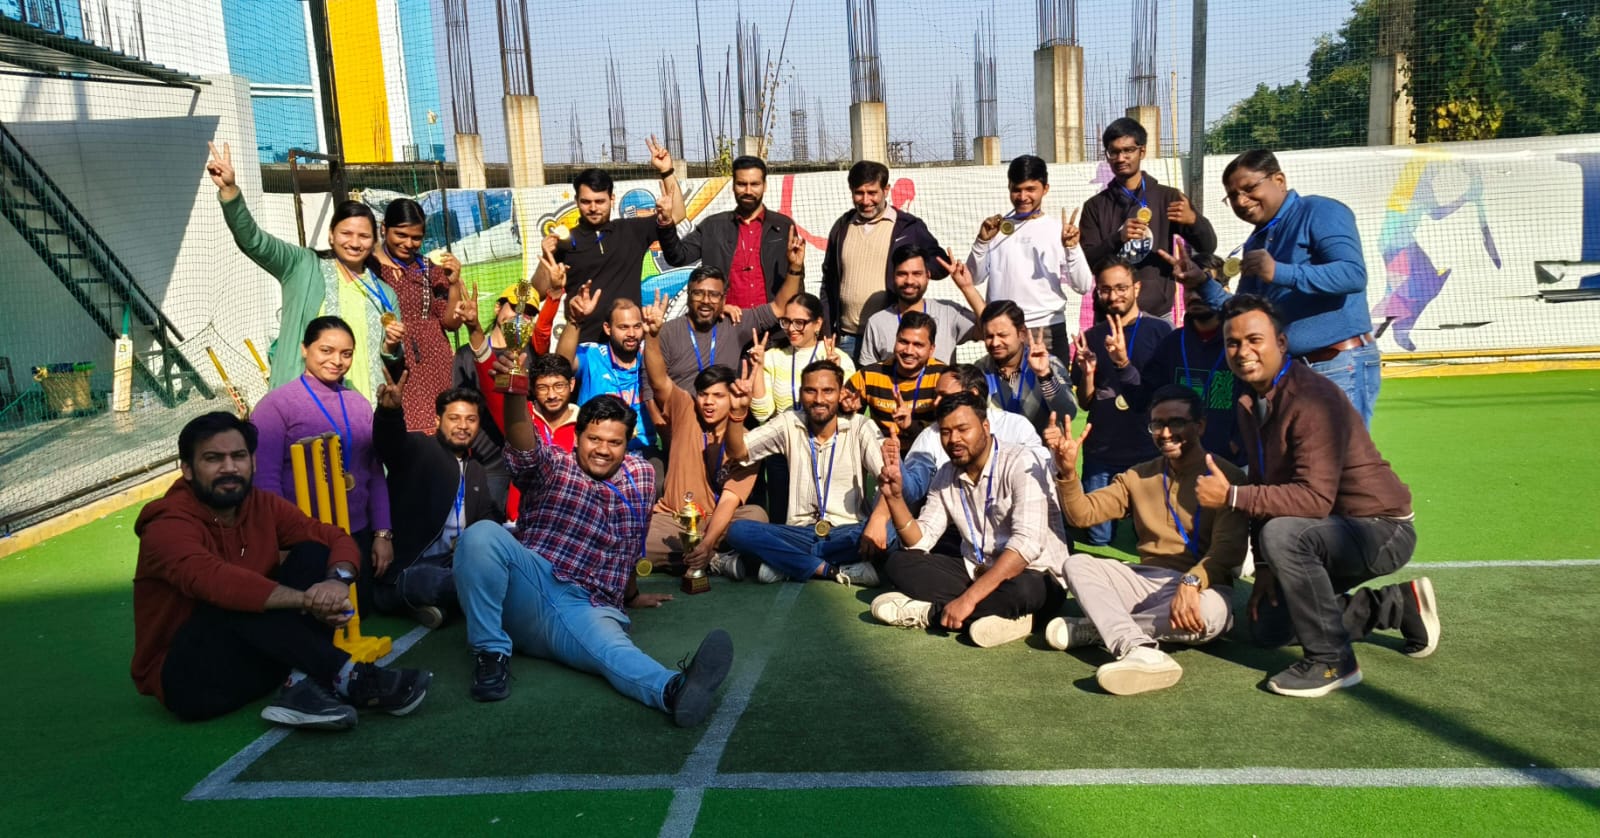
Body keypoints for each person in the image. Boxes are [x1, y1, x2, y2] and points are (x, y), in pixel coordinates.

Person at [1197, 295, 1438, 698]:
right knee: (1269, 627)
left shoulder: (1312, 397)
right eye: (1232, 343)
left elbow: (1313, 500)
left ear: (1281, 343)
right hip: (1326, 531)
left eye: (1254, 340)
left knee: (1283, 535)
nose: (1242, 351)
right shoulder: (1249, 400)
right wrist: (1265, 567)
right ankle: (1396, 605)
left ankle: (1333, 661)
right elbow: (1266, 479)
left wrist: (1232, 496)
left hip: (1381, 528)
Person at [454, 383, 735, 726]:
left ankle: (673, 690)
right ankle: (490, 655)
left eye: (614, 442)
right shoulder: (554, 465)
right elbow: (524, 449)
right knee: (481, 534)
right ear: (577, 437)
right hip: (531, 584)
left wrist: (631, 595)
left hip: (589, 607)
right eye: (594, 439)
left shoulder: (642, 475)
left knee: (614, 653)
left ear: (628, 443)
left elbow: (631, 542)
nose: (602, 450)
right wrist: (515, 391)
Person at [132, 411, 430, 730]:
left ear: (253, 462)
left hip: (261, 659)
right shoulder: (166, 524)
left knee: (315, 552)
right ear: (187, 469)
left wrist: (337, 582)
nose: (229, 468)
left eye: (238, 456)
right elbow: (213, 582)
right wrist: (307, 600)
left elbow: (335, 537)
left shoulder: (259, 504)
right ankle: (351, 677)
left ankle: (298, 683)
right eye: (213, 458)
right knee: (231, 598)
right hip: (192, 681)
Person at [1047, 385, 1249, 695]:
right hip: (1145, 580)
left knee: (1213, 615)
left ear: (1200, 426)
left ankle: (1101, 629)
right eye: (1157, 424)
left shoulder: (1227, 476)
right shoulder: (1137, 476)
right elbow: (1082, 515)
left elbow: (1229, 549)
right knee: (1077, 564)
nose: (1166, 433)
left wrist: (1192, 581)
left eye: (1177, 422)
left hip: (1203, 586)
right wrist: (1067, 474)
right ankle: (1136, 647)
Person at [1164, 149, 1380, 424]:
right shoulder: (1257, 240)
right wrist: (1203, 283)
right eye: (1232, 196)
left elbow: (1353, 275)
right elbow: (1244, 313)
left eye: (1249, 188)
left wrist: (1279, 272)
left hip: (1335, 364)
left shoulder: (1319, 211)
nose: (1241, 201)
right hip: (1287, 371)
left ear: (1279, 180)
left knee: (1337, 451)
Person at [208, 142, 405, 401]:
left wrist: (391, 346)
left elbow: (391, 357)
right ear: (331, 235)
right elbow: (254, 241)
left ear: (373, 240)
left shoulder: (385, 295)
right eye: (346, 233)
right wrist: (230, 191)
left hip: (364, 406)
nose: (355, 243)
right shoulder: (302, 266)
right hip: (305, 404)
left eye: (364, 236)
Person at [871, 392, 1069, 648]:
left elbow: (1026, 546)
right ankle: (1008, 618)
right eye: (945, 432)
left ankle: (931, 614)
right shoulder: (946, 473)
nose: (954, 439)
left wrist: (968, 599)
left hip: (1033, 573)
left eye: (963, 429)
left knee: (1025, 591)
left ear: (985, 427)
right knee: (899, 563)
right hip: (977, 570)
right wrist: (895, 499)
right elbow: (921, 540)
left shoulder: (1021, 462)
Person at [249, 317, 393, 603]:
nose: (337, 361)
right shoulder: (275, 406)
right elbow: (266, 480)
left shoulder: (359, 404)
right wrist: (282, 538)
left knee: (360, 610)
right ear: (305, 349)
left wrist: (382, 534)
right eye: (326, 350)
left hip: (356, 532)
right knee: (316, 614)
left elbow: (374, 473)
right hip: (305, 539)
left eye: (346, 353)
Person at [723, 359, 887, 586]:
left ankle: (786, 563)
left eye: (828, 391)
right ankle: (828, 569)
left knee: (891, 531)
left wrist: (878, 519)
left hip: (848, 532)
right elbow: (738, 451)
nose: (819, 399)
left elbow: (890, 482)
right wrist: (737, 414)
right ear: (800, 393)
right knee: (738, 531)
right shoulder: (789, 422)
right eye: (811, 391)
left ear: (841, 393)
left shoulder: (861, 426)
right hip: (799, 533)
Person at [640, 295, 767, 573]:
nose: (708, 402)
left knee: (756, 518)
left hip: (717, 520)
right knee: (639, 541)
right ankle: (720, 560)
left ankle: (700, 555)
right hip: (674, 518)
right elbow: (659, 380)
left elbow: (730, 500)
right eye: (703, 395)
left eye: (718, 396)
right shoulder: (686, 410)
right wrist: (652, 337)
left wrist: (707, 541)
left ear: (733, 397)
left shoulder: (747, 440)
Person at [372, 377, 503, 628]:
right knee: (457, 583)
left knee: (495, 572)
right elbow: (389, 443)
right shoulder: (420, 447)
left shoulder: (476, 469)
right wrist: (389, 413)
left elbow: (486, 517)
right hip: (410, 566)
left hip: (453, 561)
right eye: (454, 418)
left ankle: (424, 607)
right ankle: (401, 598)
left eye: (471, 419)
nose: (463, 426)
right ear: (437, 421)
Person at [531, 142, 684, 345]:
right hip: (583, 346)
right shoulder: (563, 242)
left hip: (627, 345)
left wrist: (667, 171)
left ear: (612, 199)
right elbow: (538, 292)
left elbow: (677, 214)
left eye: (600, 201)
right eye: (586, 202)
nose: (593, 208)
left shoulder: (632, 231)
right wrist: (547, 257)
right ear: (576, 201)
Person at [1070, 260, 1174, 545]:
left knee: (1150, 535)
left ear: (1136, 288)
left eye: (1121, 288)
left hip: (1147, 451)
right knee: (1098, 537)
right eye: (1105, 289)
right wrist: (1088, 374)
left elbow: (1165, 392)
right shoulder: (1091, 337)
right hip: (1102, 451)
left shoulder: (1161, 331)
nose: (1114, 295)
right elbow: (1085, 403)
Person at [1079, 119, 1216, 318]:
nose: (1120, 158)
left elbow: (1208, 246)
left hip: (1158, 314)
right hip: (1110, 314)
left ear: (1142, 151)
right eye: (1113, 152)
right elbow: (1087, 262)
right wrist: (1117, 238)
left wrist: (1194, 221)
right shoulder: (1095, 206)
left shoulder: (1168, 197)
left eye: (1128, 150)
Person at [965, 154, 1093, 353]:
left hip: (1047, 329)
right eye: (1017, 190)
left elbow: (1083, 285)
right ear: (1009, 187)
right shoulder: (995, 229)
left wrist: (1072, 248)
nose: (1023, 197)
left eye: (1030, 189)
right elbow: (973, 278)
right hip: (1003, 329)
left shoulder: (1058, 230)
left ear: (1045, 189)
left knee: (1053, 376)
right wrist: (981, 242)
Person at [820, 160, 946, 359]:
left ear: (886, 190)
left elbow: (940, 264)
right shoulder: (842, 227)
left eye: (872, 193)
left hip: (890, 335)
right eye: (859, 193)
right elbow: (828, 282)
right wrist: (827, 330)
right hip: (847, 338)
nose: (865, 200)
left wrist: (920, 272)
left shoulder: (908, 227)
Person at [1127, 249, 1241, 463]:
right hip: (1181, 464)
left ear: (1224, 291)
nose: (1194, 295)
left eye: (1201, 287)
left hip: (1233, 464)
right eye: (1189, 289)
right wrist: (1122, 366)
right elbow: (1142, 401)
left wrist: (1239, 441)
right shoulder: (1171, 344)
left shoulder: (1240, 344)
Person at [650, 250, 801, 396]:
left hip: (726, 412)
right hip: (682, 412)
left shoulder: (734, 323)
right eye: (698, 293)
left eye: (714, 295)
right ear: (689, 296)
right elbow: (651, 389)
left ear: (724, 299)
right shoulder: (667, 333)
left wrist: (795, 268)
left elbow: (780, 308)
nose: (706, 300)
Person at [659, 155, 799, 309]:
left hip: (772, 321)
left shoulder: (783, 226)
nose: (748, 191)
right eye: (741, 184)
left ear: (764, 186)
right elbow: (678, 257)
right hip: (725, 322)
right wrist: (666, 223)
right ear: (733, 186)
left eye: (754, 184)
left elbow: (797, 277)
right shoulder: (712, 226)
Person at [374, 198, 465, 432]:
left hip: (436, 360)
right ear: (384, 228)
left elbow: (451, 323)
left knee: (444, 428)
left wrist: (454, 283)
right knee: (405, 430)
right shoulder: (369, 268)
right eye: (401, 235)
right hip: (395, 358)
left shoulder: (428, 268)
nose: (408, 243)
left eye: (416, 238)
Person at [899, 364, 1045, 508]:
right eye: (935, 395)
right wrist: (895, 466)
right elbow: (912, 489)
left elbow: (1042, 472)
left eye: (944, 396)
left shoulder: (1015, 427)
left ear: (973, 395)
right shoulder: (931, 435)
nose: (936, 403)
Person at [555, 259, 654, 450]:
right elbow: (561, 365)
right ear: (608, 328)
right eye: (623, 327)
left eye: (636, 326)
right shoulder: (592, 355)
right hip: (597, 450)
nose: (632, 334)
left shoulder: (650, 358)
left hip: (643, 450)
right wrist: (575, 320)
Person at [860, 246, 984, 366]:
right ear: (893, 277)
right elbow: (868, 372)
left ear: (928, 276)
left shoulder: (948, 312)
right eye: (902, 274)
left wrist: (967, 288)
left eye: (917, 274)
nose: (909, 281)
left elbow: (987, 330)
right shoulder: (877, 323)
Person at [749, 292, 857, 421]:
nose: (791, 328)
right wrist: (758, 368)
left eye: (799, 322)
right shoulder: (771, 358)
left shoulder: (840, 359)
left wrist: (834, 376)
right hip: (784, 431)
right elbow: (762, 414)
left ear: (817, 324)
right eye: (786, 321)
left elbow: (847, 411)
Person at [975, 300, 1077, 434]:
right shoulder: (980, 370)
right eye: (989, 336)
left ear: (1022, 333)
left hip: (1041, 446)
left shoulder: (1049, 364)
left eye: (1002, 335)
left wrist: (1044, 376)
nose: (995, 343)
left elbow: (1069, 413)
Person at [846, 311, 947, 441]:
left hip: (927, 449)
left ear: (931, 349)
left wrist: (911, 426)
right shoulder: (868, 375)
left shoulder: (943, 377)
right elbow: (843, 424)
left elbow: (949, 432)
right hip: (880, 449)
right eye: (903, 342)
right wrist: (845, 410)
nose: (909, 351)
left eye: (918, 345)